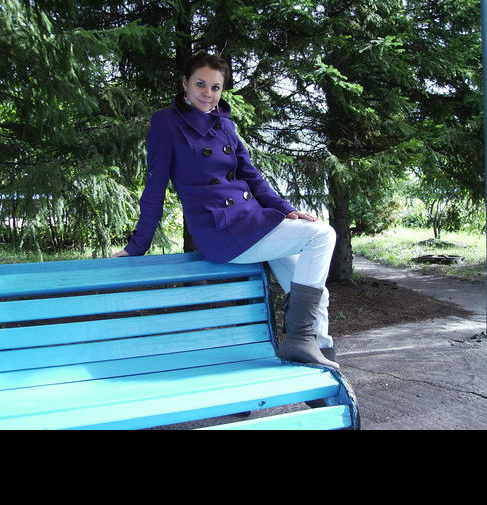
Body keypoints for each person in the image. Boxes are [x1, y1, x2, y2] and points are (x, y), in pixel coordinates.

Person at [111, 53, 339, 370]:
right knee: (322, 235)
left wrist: (286, 210)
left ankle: (322, 359)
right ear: (185, 83)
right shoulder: (167, 123)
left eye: (216, 87)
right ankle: (300, 340)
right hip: (222, 231)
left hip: (254, 221)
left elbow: (251, 176)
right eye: (200, 84)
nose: (208, 93)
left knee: (313, 289)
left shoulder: (224, 124)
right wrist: (137, 245)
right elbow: (154, 188)